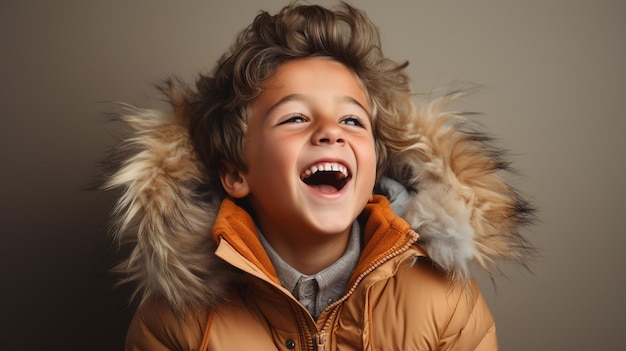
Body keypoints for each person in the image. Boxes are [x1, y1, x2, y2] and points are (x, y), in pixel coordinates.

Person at [103, 2, 534, 350]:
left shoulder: (445, 301)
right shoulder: (178, 323)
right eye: (294, 117)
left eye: (352, 120)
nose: (330, 131)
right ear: (236, 173)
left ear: (373, 165)